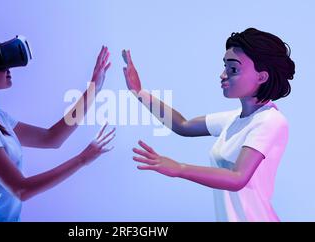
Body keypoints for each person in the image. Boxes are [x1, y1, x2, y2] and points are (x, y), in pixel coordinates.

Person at [0, 30, 115, 221]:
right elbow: (22, 189)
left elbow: (52, 138)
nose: (9, 67)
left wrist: (93, 88)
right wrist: (82, 159)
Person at [123, 28, 295, 222]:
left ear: (262, 77)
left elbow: (238, 177)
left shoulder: (270, 121)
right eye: (225, 67)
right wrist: (139, 92)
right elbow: (183, 125)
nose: (223, 75)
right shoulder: (233, 120)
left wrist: (179, 168)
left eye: (233, 69)